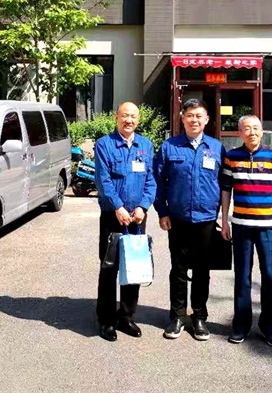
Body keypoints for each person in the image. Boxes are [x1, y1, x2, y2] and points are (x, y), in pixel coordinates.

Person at [154, 98, 226, 341]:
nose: (194, 120)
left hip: (206, 219)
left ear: (207, 120)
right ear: (182, 118)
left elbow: (224, 184)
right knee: (178, 268)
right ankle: (177, 316)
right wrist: (162, 212)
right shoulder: (169, 147)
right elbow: (158, 182)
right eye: (190, 116)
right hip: (178, 218)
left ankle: (199, 316)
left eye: (199, 116)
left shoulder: (216, 148)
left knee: (202, 269)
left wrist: (224, 216)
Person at [220, 115, 272, 348]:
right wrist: (225, 221)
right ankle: (240, 326)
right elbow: (226, 190)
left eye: (256, 128)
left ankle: (270, 328)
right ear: (239, 133)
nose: (252, 132)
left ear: (262, 131)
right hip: (241, 226)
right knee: (242, 278)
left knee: (269, 277)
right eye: (247, 129)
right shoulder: (232, 157)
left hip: (268, 227)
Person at [94, 102, 157, 342]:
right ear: (116, 118)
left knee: (134, 267)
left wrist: (143, 206)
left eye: (133, 116)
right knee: (109, 269)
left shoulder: (146, 145)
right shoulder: (105, 144)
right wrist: (118, 207)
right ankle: (106, 319)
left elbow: (151, 179)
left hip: (137, 217)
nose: (129, 120)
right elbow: (103, 180)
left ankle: (126, 316)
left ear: (138, 120)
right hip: (113, 215)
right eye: (124, 116)